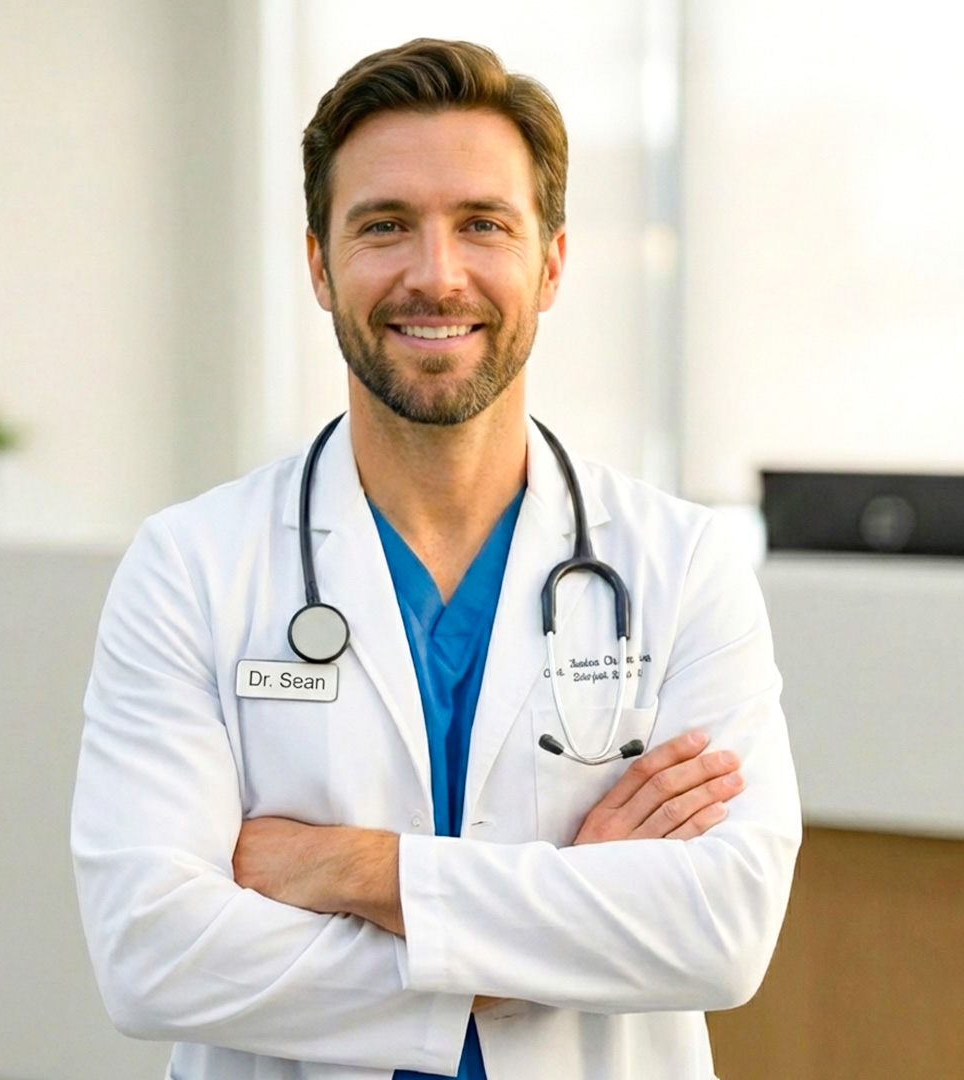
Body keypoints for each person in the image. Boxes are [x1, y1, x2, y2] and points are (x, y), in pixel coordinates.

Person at [72, 38, 801, 1080]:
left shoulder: (682, 564)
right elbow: (151, 953)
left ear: (550, 263)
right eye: (384, 227)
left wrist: (348, 867)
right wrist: (550, 925)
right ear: (320, 265)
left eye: (482, 225)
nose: (435, 274)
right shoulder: (191, 566)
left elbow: (721, 931)